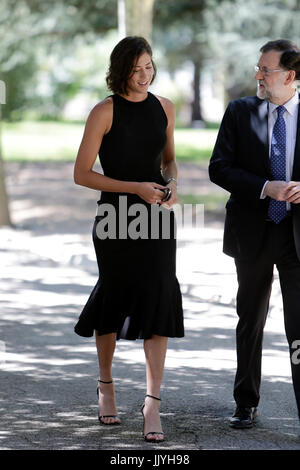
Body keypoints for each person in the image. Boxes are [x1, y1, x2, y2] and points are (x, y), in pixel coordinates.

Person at [73, 36, 184, 442]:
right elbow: (82, 174)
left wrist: (171, 183)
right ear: (121, 70)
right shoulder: (103, 112)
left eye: (150, 66)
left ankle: (152, 402)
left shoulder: (165, 107)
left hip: (156, 217)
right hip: (115, 219)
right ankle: (106, 386)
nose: (145, 75)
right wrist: (133, 188)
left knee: (158, 294)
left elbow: (169, 159)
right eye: (137, 68)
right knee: (116, 294)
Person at [209, 39, 300, 428]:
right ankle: (245, 401)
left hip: (297, 238)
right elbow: (219, 168)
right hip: (252, 233)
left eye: (266, 70)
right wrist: (266, 187)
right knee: (250, 319)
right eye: (258, 68)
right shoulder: (239, 112)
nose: (258, 75)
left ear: (290, 76)